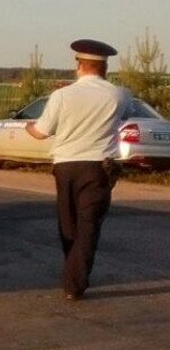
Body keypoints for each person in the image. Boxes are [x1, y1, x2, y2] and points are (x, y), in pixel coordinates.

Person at [25, 39, 131, 301]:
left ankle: (73, 275)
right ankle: (75, 282)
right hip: (99, 167)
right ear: (104, 67)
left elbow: (41, 132)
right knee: (89, 223)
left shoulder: (62, 95)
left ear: (79, 65)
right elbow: (124, 117)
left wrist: (28, 127)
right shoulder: (120, 94)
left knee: (68, 223)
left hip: (65, 166)